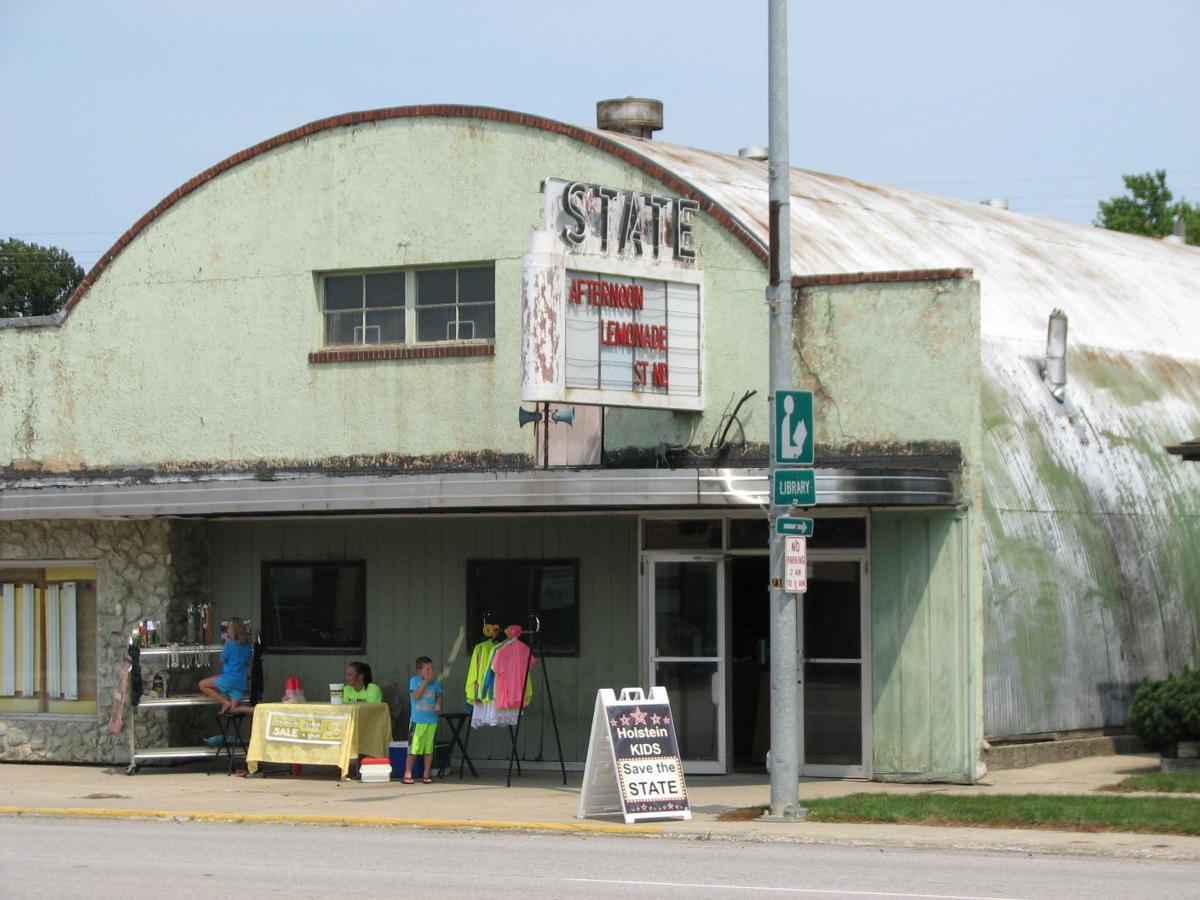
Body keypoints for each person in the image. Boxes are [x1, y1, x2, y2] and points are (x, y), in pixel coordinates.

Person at [199, 617, 254, 714]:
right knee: (233, 709)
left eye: (229, 628)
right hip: (241, 682)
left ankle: (224, 702)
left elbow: (222, 659)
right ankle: (255, 710)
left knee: (202, 685)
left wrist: (226, 644)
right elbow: (248, 660)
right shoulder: (248, 646)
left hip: (229, 678)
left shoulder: (229, 644)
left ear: (232, 630)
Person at [403, 655, 441, 784]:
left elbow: (439, 695)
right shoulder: (414, 681)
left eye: (432, 668)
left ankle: (427, 772)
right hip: (417, 721)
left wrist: (438, 703)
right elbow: (417, 695)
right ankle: (408, 773)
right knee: (413, 748)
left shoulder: (435, 683)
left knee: (429, 749)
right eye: (427, 669)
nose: (430, 671)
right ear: (419, 671)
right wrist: (425, 682)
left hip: (431, 720)